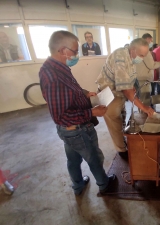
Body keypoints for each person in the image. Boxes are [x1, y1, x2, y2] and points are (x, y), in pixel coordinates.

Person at [39, 30, 115, 196]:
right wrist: (92, 112)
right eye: (74, 51)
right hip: (76, 129)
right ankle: (104, 184)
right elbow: (60, 116)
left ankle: (78, 185)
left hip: (71, 132)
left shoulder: (59, 67)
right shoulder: (52, 77)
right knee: (94, 157)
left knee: (73, 159)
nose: (76, 55)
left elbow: (71, 87)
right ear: (63, 50)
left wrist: (85, 93)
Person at [96, 38, 155, 159]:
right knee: (115, 122)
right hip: (109, 94)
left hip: (118, 93)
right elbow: (126, 90)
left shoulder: (131, 56)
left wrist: (134, 91)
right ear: (133, 50)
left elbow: (129, 81)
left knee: (122, 118)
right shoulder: (120, 57)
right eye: (141, 55)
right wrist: (144, 108)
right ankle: (122, 151)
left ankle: (123, 141)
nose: (142, 58)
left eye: (144, 56)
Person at [135, 33, 160, 105]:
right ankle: (145, 114)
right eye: (150, 40)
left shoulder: (138, 49)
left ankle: (143, 112)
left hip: (139, 78)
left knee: (141, 99)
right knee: (145, 100)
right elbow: (151, 65)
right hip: (144, 79)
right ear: (147, 39)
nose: (151, 43)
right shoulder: (145, 50)